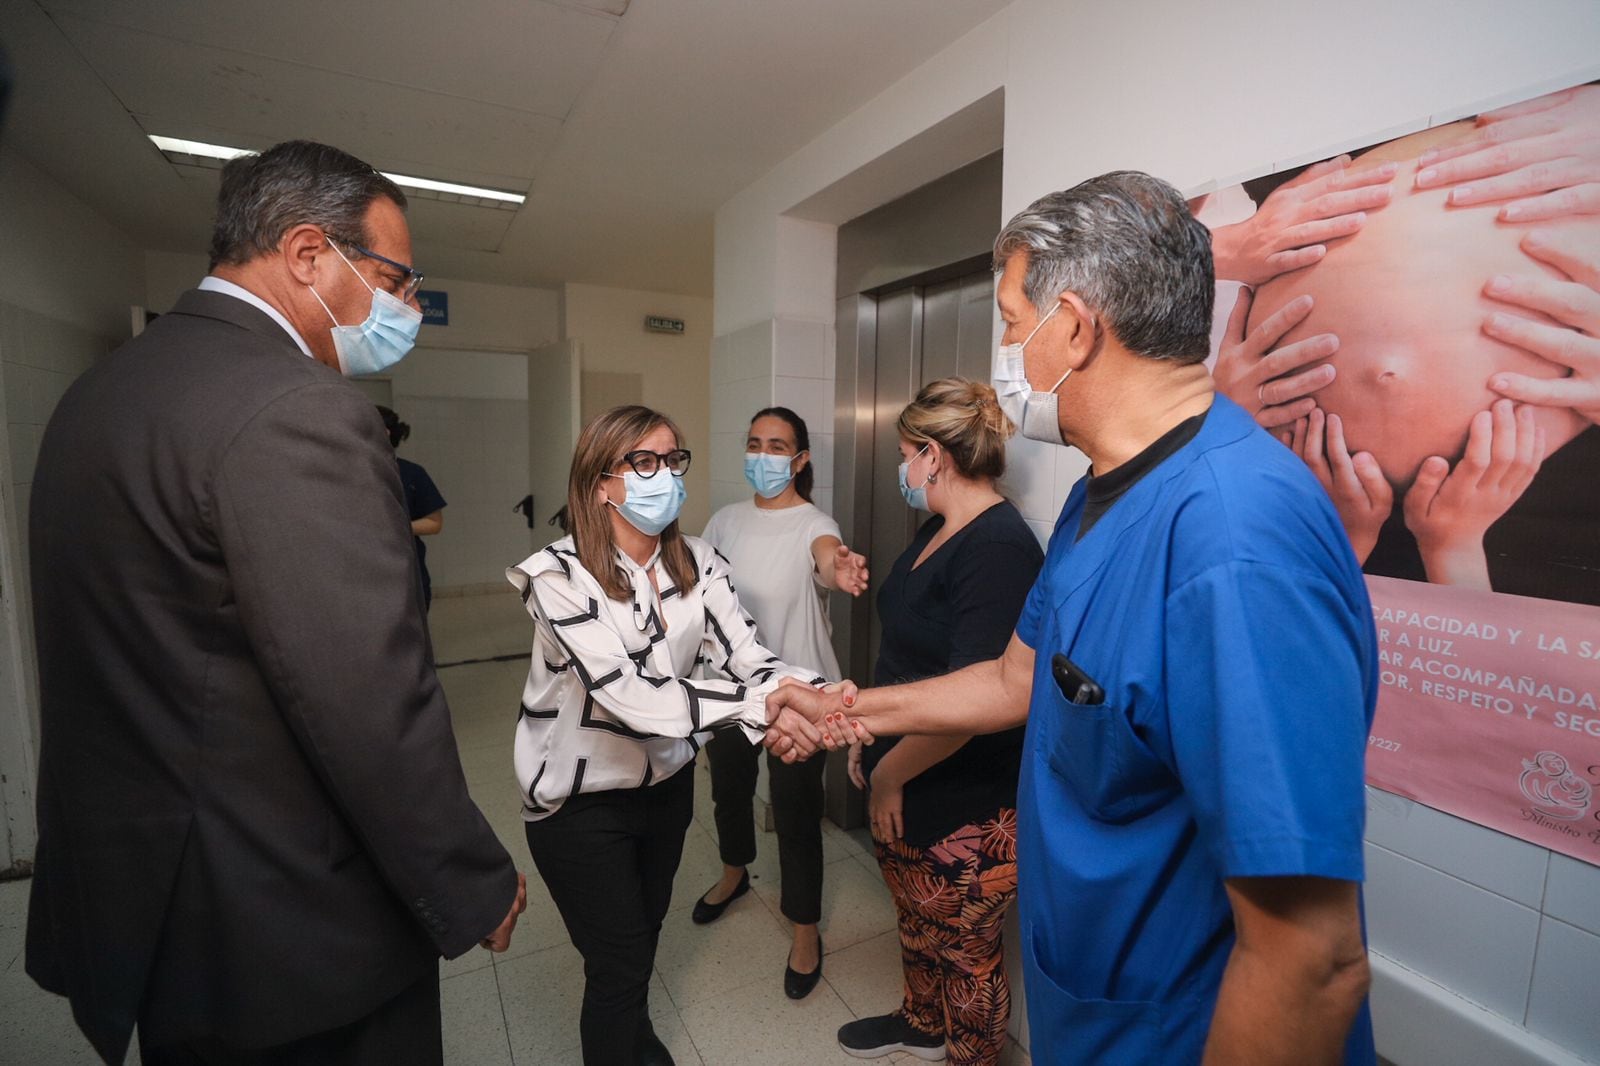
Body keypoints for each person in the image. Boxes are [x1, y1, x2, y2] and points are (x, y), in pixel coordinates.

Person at [767, 171, 1378, 1066]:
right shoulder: (1103, 495)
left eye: (1015, 323)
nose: (1008, 352)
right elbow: (1015, 679)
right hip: (1091, 1002)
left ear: (1078, 327)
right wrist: (845, 711)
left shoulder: (1233, 540)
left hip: (1174, 1029)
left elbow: (1311, 958)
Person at [25, 140, 525, 1066]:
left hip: (152, 897)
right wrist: (468, 879)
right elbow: (365, 694)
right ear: (306, 254)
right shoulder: (296, 407)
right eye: (395, 279)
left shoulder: (101, 394)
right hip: (287, 920)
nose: (405, 307)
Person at [506, 404, 832, 1066]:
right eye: (642, 462)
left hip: (664, 789)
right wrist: (768, 707)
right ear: (601, 483)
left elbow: (750, 656)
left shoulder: (701, 562)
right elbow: (631, 697)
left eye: (672, 460)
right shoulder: (557, 577)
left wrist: (820, 697)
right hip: (580, 803)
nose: (664, 476)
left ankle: (640, 1045)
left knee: (642, 941)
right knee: (618, 964)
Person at [835, 378, 1041, 1065]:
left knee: (967, 954)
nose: (903, 470)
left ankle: (969, 1055)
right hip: (905, 770)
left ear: (931, 455)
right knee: (917, 921)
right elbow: (908, 652)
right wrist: (874, 740)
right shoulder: (938, 528)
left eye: (903, 454)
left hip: (967, 801)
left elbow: (975, 701)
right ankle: (921, 1023)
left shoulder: (1000, 548)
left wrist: (891, 774)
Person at [692, 406, 868, 999]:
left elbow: (826, 555)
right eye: (754, 444)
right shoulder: (724, 521)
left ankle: (805, 929)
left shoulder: (815, 522)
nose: (762, 456)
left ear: (800, 459)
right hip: (732, 690)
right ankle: (735, 873)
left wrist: (837, 566)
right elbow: (702, 597)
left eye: (776, 446)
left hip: (799, 699)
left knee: (795, 815)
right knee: (729, 792)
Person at [377, 405, 447, 609]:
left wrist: (393, 527)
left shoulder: (411, 474)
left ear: (385, 433)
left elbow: (435, 523)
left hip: (405, 572)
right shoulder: (348, 473)